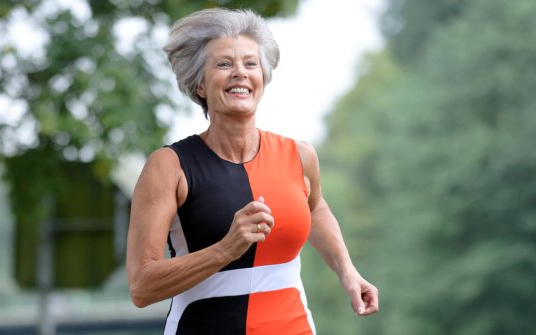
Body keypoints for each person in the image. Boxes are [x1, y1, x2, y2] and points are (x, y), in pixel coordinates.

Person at [126, 7, 378, 334]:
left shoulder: (299, 156)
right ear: (200, 84)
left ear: (263, 77)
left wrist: (348, 272)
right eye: (224, 64)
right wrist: (225, 249)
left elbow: (315, 208)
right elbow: (142, 287)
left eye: (250, 63)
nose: (240, 73)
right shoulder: (169, 166)